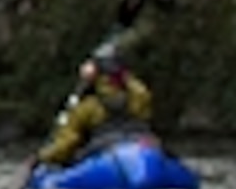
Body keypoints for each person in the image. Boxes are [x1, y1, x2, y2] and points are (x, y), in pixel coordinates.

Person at [36, 38, 156, 170]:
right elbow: (142, 93)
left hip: (105, 152)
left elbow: (67, 142)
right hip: (140, 143)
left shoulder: (87, 107)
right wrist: (123, 75)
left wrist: (42, 157)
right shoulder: (136, 97)